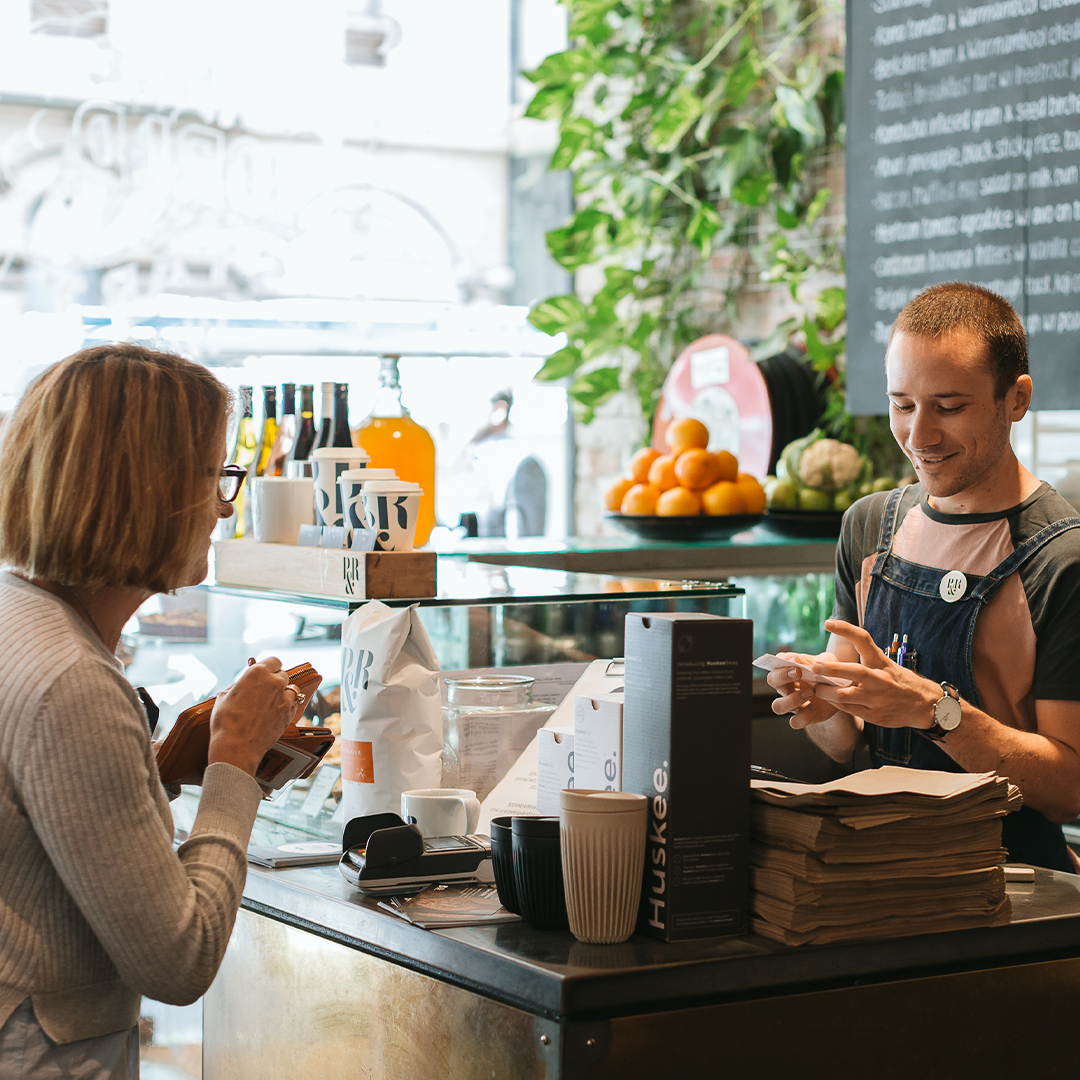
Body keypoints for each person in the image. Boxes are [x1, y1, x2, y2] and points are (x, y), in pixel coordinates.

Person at [0, 344, 302, 1078]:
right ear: (146, 488)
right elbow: (179, 959)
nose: (225, 505)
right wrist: (237, 762)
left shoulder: (20, 615)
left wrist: (163, 770)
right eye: (214, 476)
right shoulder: (72, 680)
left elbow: (46, 829)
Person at [768, 282, 1080, 872]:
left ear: (1015, 399)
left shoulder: (1062, 560)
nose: (919, 436)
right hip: (873, 869)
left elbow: (1067, 787)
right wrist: (821, 702)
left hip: (1007, 885)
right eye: (902, 405)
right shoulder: (867, 528)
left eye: (949, 406)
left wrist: (936, 711)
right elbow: (844, 742)